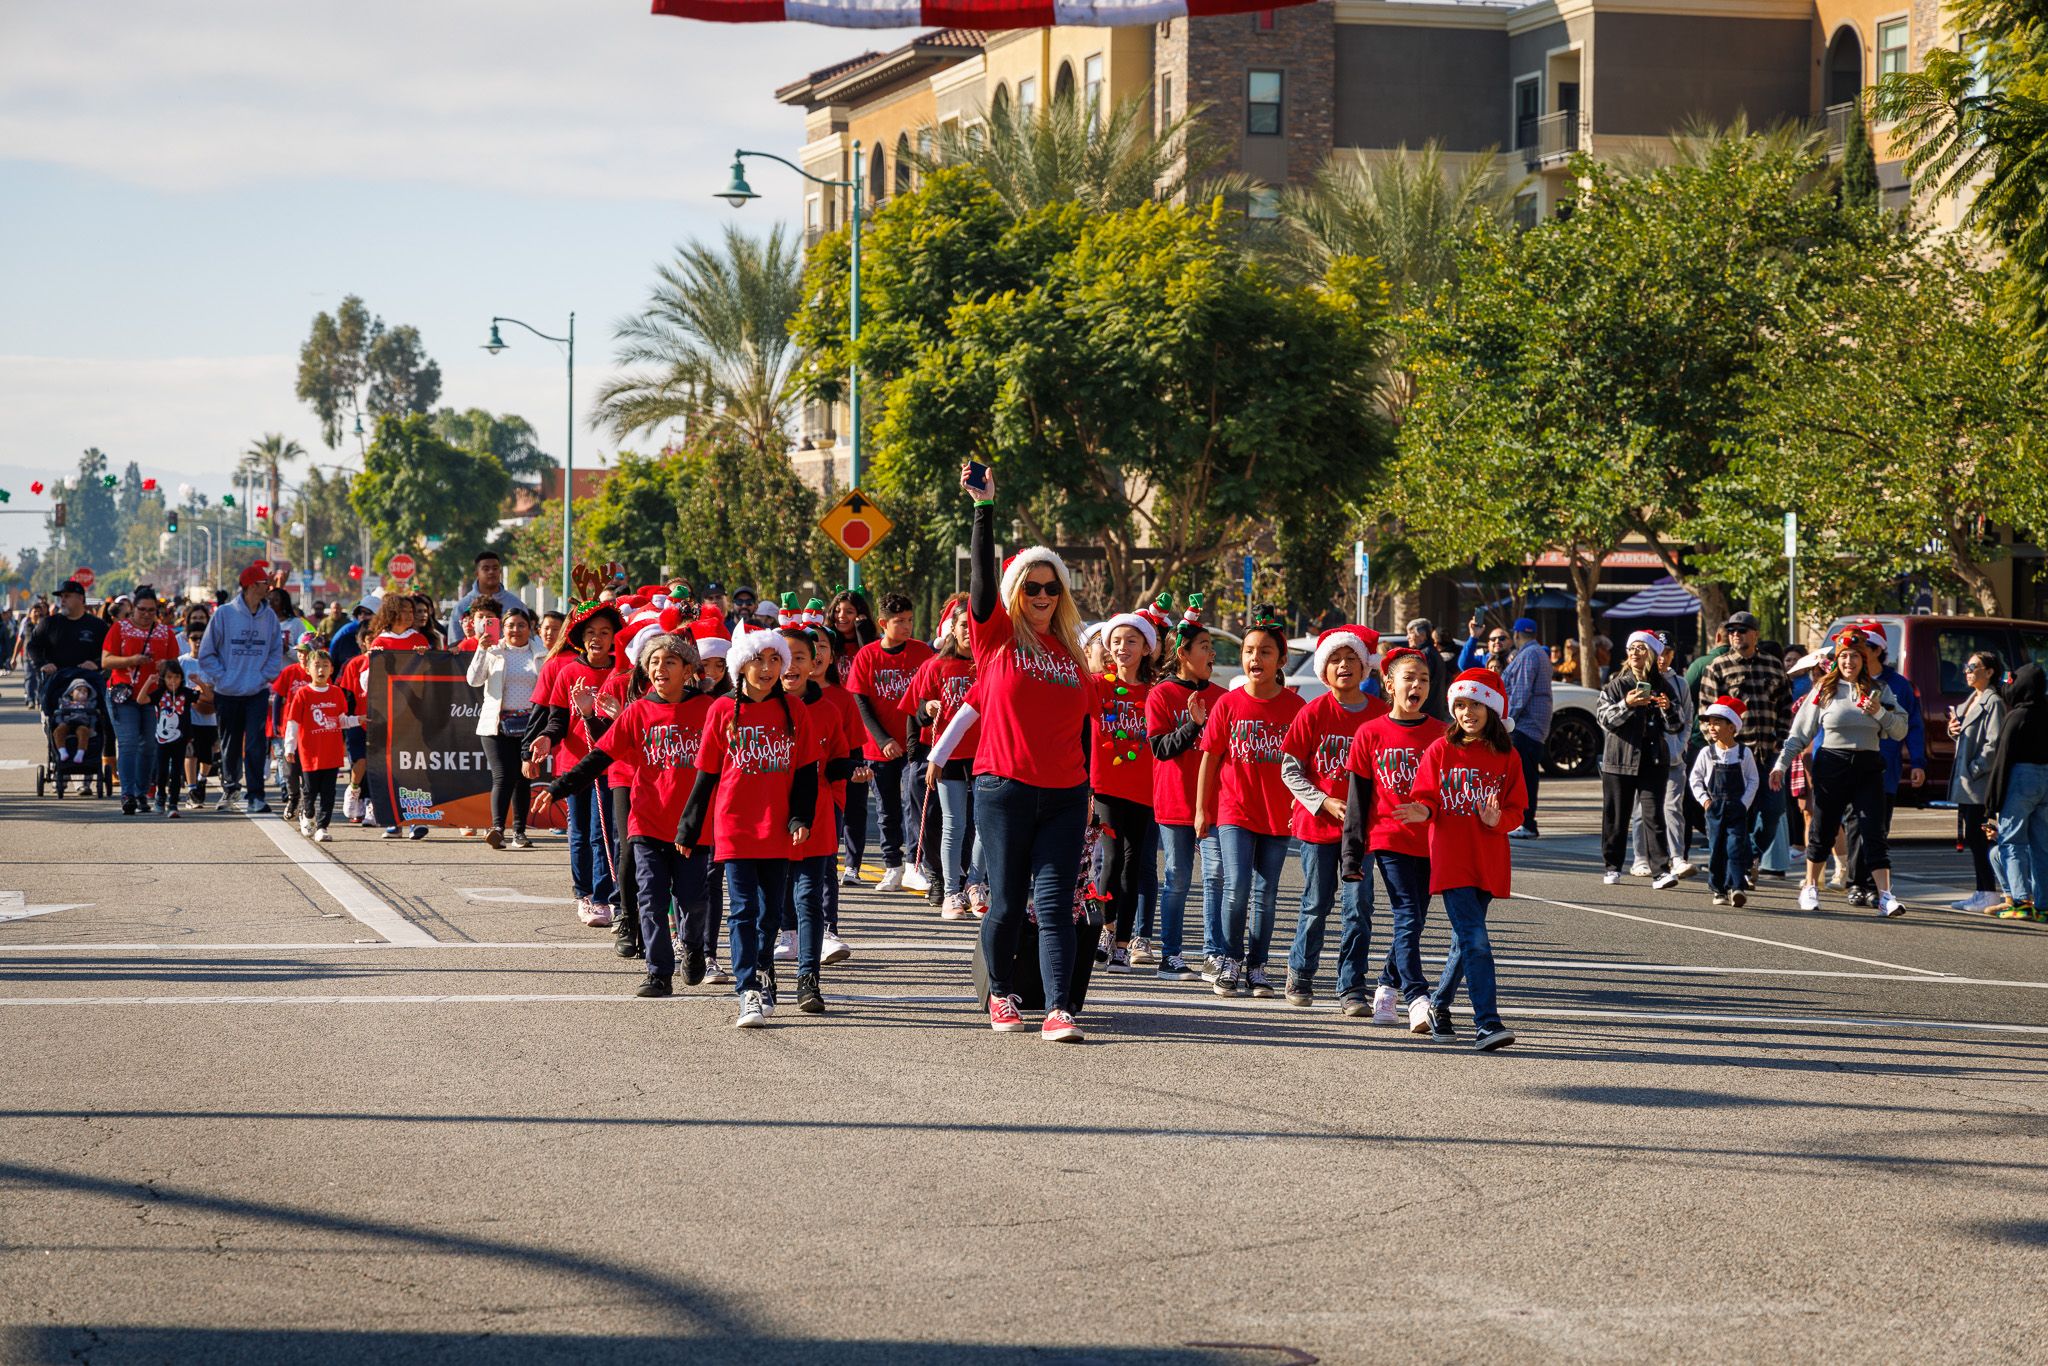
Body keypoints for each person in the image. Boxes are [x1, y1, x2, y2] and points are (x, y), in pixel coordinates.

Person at [962, 461, 1094, 1043]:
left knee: (1057, 903)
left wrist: (1091, 795)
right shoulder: (995, 639)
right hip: (1003, 788)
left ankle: (1061, 1008)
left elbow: (1088, 728)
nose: (1042, 594)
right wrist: (984, 510)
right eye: (1031, 586)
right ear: (1018, 593)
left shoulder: (1071, 656)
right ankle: (1000, 994)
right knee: (1008, 902)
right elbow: (983, 588)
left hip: (1066, 795)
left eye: (1051, 587)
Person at [538, 632, 714, 997]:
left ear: (687, 670)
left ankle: (695, 949)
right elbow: (599, 757)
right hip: (647, 822)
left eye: (669, 662)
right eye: (653, 663)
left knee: (693, 900)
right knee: (649, 896)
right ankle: (659, 972)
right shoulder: (639, 711)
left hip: (692, 827)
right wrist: (559, 787)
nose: (659, 669)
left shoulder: (709, 709)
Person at [675, 625, 818, 1028]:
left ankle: (764, 970)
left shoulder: (795, 711)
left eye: (775, 659)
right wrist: (689, 827)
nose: (768, 668)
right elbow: (706, 774)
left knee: (770, 913)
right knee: (742, 910)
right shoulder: (721, 710)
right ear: (742, 665)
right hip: (735, 825)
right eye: (759, 659)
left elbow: (807, 772)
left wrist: (799, 818)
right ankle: (747, 990)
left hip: (777, 827)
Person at [1402, 667, 1525, 1051]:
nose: (1466, 712)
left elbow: (1517, 810)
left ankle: (1439, 1005)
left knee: (1464, 941)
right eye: (1459, 705)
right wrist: (1423, 811)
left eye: (1475, 704)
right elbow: (1426, 796)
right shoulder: (1440, 749)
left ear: (1491, 709)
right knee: (1476, 939)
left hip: (1487, 859)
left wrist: (1497, 819)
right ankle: (1487, 1023)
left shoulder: (1507, 755)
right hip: (1452, 859)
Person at [1195, 607, 1305, 999]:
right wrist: (1201, 809)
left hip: (1278, 814)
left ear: (1280, 660)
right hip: (1234, 810)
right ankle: (1229, 959)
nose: (1255, 659)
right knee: (1236, 885)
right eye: (1248, 651)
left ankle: (1258, 965)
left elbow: (1307, 766)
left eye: (1264, 652)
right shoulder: (1228, 703)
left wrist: (1305, 804)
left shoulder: (1296, 709)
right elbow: (1210, 756)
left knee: (1266, 892)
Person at [1281, 626, 1387, 1012]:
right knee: (1316, 904)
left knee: (1358, 909)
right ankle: (1301, 972)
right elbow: (1290, 771)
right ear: (1324, 671)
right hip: (1318, 828)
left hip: (1364, 834)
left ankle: (1351, 987)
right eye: (1336, 660)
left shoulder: (1381, 716)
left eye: (1352, 659)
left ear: (1366, 668)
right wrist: (1323, 801)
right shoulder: (1313, 712)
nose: (1344, 666)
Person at [1770, 626, 1909, 917]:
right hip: (1832, 763)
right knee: (1824, 828)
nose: (1849, 662)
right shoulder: (1825, 689)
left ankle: (1885, 895)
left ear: (1865, 659)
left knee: (1874, 831)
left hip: (1868, 765)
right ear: (1837, 659)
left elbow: (1900, 730)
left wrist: (1879, 712)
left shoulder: (1879, 690)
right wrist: (1781, 764)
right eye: (1844, 656)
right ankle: (1810, 886)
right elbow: (1800, 732)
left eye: (1855, 656)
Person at [1344, 645, 1446, 1032]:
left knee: (1414, 921)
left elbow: (1447, 794)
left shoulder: (1441, 733)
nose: (1417, 685)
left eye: (1423, 679)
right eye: (1409, 678)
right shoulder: (1370, 733)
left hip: (1432, 842)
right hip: (1388, 838)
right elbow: (1358, 801)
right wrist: (1352, 856)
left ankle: (1386, 989)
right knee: (1406, 914)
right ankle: (1418, 996)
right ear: (1389, 683)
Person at [526, 602, 627, 922]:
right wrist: (544, 739)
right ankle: (582, 893)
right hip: (573, 763)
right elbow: (556, 722)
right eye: (591, 632)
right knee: (580, 831)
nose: (597, 638)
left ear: (615, 638)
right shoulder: (568, 670)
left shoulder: (623, 672)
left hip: (610, 764)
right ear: (580, 637)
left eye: (605, 632)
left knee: (605, 832)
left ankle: (602, 896)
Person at [1145, 599, 1218, 983]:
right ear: (1183, 653)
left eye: (1210, 646)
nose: (1211, 652)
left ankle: (1213, 954)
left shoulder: (1223, 696)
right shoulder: (1160, 695)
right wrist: (1191, 725)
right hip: (1175, 801)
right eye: (1204, 645)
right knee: (1177, 880)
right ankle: (1170, 956)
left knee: (1216, 877)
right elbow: (1160, 748)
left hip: (1216, 805)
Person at [846, 592, 936, 894]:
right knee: (886, 810)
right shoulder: (868, 655)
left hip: (915, 745)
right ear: (883, 623)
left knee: (914, 804)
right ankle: (892, 865)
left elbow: (927, 696)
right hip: (879, 747)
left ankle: (914, 862)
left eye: (910, 620)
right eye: (900, 622)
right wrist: (883, 740)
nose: (907, 626)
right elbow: (861, 703)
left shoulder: (922, 652)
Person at [1087, 602, 1160, 972]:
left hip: (1145, 790)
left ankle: (1122, 941)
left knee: (1135, 865)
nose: (1122, 647)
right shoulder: (1097, 686)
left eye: (1131, 640)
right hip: (1106, 787)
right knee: (1111, 860)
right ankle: (1104, 928)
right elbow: (1079, 732)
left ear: (1146, 648)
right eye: (1116, 640)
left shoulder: (1154, 693)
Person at [1696, 611, 1792, 886]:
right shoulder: (1717, 667)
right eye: (1732, 631)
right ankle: (1733, 869)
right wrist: (1717, 747)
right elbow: (1705, 711)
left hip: (1766, 753)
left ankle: (1749, 856)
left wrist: (1781, 737)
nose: (1736, 634)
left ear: (1755, 634)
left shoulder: (1773, 666)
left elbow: (1786, 706)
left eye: (1742, 630)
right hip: (1732, 757)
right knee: (1734, 816)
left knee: (1774, 811)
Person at [1595, 630, 1684, 888]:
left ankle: (1660, 871)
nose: (1634, 653)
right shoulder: (1616, 685)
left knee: (1654, 815)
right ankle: (1612, 866)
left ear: (1652, 653)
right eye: (1631, 648)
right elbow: (1603, 719)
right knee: (1616, 816)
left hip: (1653, 759)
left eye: (1641, 648)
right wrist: (1627, 704)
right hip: (1618, 759)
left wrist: (1668, 709)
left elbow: (1676, 726)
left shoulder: (1664, 686)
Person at [911, 599, 983, 919]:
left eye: (974, 624)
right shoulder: (935, 665)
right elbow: (917, 713)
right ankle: (951, 893)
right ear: (952, 628)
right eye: (963, 624)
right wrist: (927, 709)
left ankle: (977, 885)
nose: (969, 630)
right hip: (947, 756)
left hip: (987, 755)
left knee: (984, 826)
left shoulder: (990, 663)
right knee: (954, 824)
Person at [196, 563, 285, 814]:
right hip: (227, 692)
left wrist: (264, 676)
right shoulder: (224, 614)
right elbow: (207, 653)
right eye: (263, 583)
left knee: (256, 744)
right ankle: (231, 787)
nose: (268, 587)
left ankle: (256, 795)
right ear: (250, 586)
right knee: (230, 744)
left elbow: (276, 650)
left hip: (256, 691)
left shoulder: (270, 618)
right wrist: (222, 678)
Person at [1849, 626, 1928, 908]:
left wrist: (1917, 762)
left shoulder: (1898, 685)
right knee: (1856, 824)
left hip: (1886, 769)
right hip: (1852, 765)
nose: (1856, 653)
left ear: (1878, 650)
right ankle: (1856, 883)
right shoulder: (1849, 681)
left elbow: (1913, 726)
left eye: (1863, 647)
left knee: (1878, 827)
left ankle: (1873, 886)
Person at [468, 606, 544, 850]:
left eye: (521, 625)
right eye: (510, 625)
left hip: (530, 727)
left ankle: (519, 833)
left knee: (523, 779)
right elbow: (474, 680)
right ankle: (497, 828)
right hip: (496, 725)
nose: (516, 630)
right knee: (502, 777)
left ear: (530, 628)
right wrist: (481, 649)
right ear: (502, 628)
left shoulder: (540, 653)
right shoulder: (493, 651)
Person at [101, 585, 179, 814]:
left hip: (153, 697)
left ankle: (141, 792)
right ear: (133, 608)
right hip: (123, 694)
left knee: (149, 747)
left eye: (151, 610)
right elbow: (106, 661)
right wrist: (131, 660)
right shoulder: (119, 629)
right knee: (128, 743)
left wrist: (165, 667)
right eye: (142, 609)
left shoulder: (165, 633)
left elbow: (174, 665)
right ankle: (127, 794)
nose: (146, 614)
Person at [1985, 662, 2048, 921]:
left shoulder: (2017, 716)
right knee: (2042, 846)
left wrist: (1991, 805)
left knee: (2011, 841)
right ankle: (2044, 906)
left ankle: (2021, 901)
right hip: (2046, 779)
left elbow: (2002, 761)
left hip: (2021, 777)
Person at [1946, 650, 2007, 914]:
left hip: (1979, 783)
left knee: (1979, 836)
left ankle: (1989, 892)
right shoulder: (1972, 699)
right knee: (1973, 836)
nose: (1967, 671)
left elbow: (1994, 744)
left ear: (1990, 671)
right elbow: (1965, 733)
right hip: (1968, 781)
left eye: (1973, 666)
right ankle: (1982, 890)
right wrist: (1952, 730)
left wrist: (1975, 767)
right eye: (1966, 666)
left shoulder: (1993, 701)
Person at [1689, 697, 1760, 906]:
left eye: (1717, 722)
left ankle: (1737, 887)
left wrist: (1744, 803)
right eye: (1709, 722)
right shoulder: (1707, 753)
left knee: (1735, 846)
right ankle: (1718, 889)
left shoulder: (1743, 753)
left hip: (1736, 809)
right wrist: (1705, 801)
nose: (1712, 727)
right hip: (1714, 809)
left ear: (1732, 727)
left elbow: (1753, 780)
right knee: (1716, 848)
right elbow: (1696, 778)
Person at [281, 648, 356, 841]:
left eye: (325, 666)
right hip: (309, 753)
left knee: (329, 792)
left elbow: (342, 720)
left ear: (331, 669)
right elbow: (293, 722)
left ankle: (323, 827)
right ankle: (308, 815)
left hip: (331, 752)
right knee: (309, 790)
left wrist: (359, 720)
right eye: (317, 666)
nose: (321, 670)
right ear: (307, 670)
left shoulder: (337, 693)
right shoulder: (302, 694)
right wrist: (289, 747)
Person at [1501, 617, 1552, 839]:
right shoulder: (1536, 652)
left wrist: (1506, 721)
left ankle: (1527, 823)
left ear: (1517, 634)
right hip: (1532, 725)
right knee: (1526, 775)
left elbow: (1520, 692)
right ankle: (1524, 821)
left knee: (1525, 777)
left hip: (1525, 726)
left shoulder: (1530, 654)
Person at [28, 580, 109, 699]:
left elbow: (109, 651)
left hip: (89, 683)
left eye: (67, 596)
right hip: (56, 682)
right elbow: (33, 646)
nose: (63, 600)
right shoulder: (49, 623)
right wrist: (43, 664)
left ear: (81, 599)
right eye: (61, 597)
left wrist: (97, 664)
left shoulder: (98, 625)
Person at [175, 618, 218, 811]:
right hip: (189, 716)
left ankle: (201, 781)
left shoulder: (213, 663)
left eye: (202, 638)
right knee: (190, 752)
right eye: (194, 638)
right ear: (187, 639)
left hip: (209, 717)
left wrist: (204, 688)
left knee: (207, 756)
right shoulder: (182, 662)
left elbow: (217, 688)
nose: (198, 641)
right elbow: (174, 686)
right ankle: (192, 790)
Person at [151, 658, 199, 817]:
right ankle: (160, 798)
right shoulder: (160, 693)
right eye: (169, 677)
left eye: (177, 677)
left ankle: (173, 803)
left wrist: (198, 682)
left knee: (177, 771)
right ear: (163, 678)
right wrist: (149, 682)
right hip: (162, 739)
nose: (173, 681)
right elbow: (141, 699)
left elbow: (205, 695)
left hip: (181, 738)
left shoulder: (185, 693)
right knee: (162, 770)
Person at [452, 550, 527, 624]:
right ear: (477, 573)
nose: (491, 572)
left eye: (495, 568)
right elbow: (454, 636)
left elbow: (529, 634)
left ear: (500, 572)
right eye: (486, 569)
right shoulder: (462, 607)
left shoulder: (516, 605)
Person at [1407, 618, 1451, 723]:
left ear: (1422, 636)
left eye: (1411, 633)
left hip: (1426, 714)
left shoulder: (1424, 655)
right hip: (1433, 713)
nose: (1407, 637)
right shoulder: (1432, 653)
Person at [51, 678, 98, 763]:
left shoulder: (89, 705)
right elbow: (58, 715)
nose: (82, 692)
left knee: (83, 732)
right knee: (58, 731)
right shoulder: (65, 703)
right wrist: (60, 723)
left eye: (85, 691)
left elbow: (93, 717)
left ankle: (80, 753)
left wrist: (92, 727)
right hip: (67, 723)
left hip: (82, 724)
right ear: (71, 693)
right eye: (79, 690)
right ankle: (62, 751)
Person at [328, 599, 377, 672]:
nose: (362, 616)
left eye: (367, 613)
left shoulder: (386, 634)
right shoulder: (347, 633)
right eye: (360, 612)